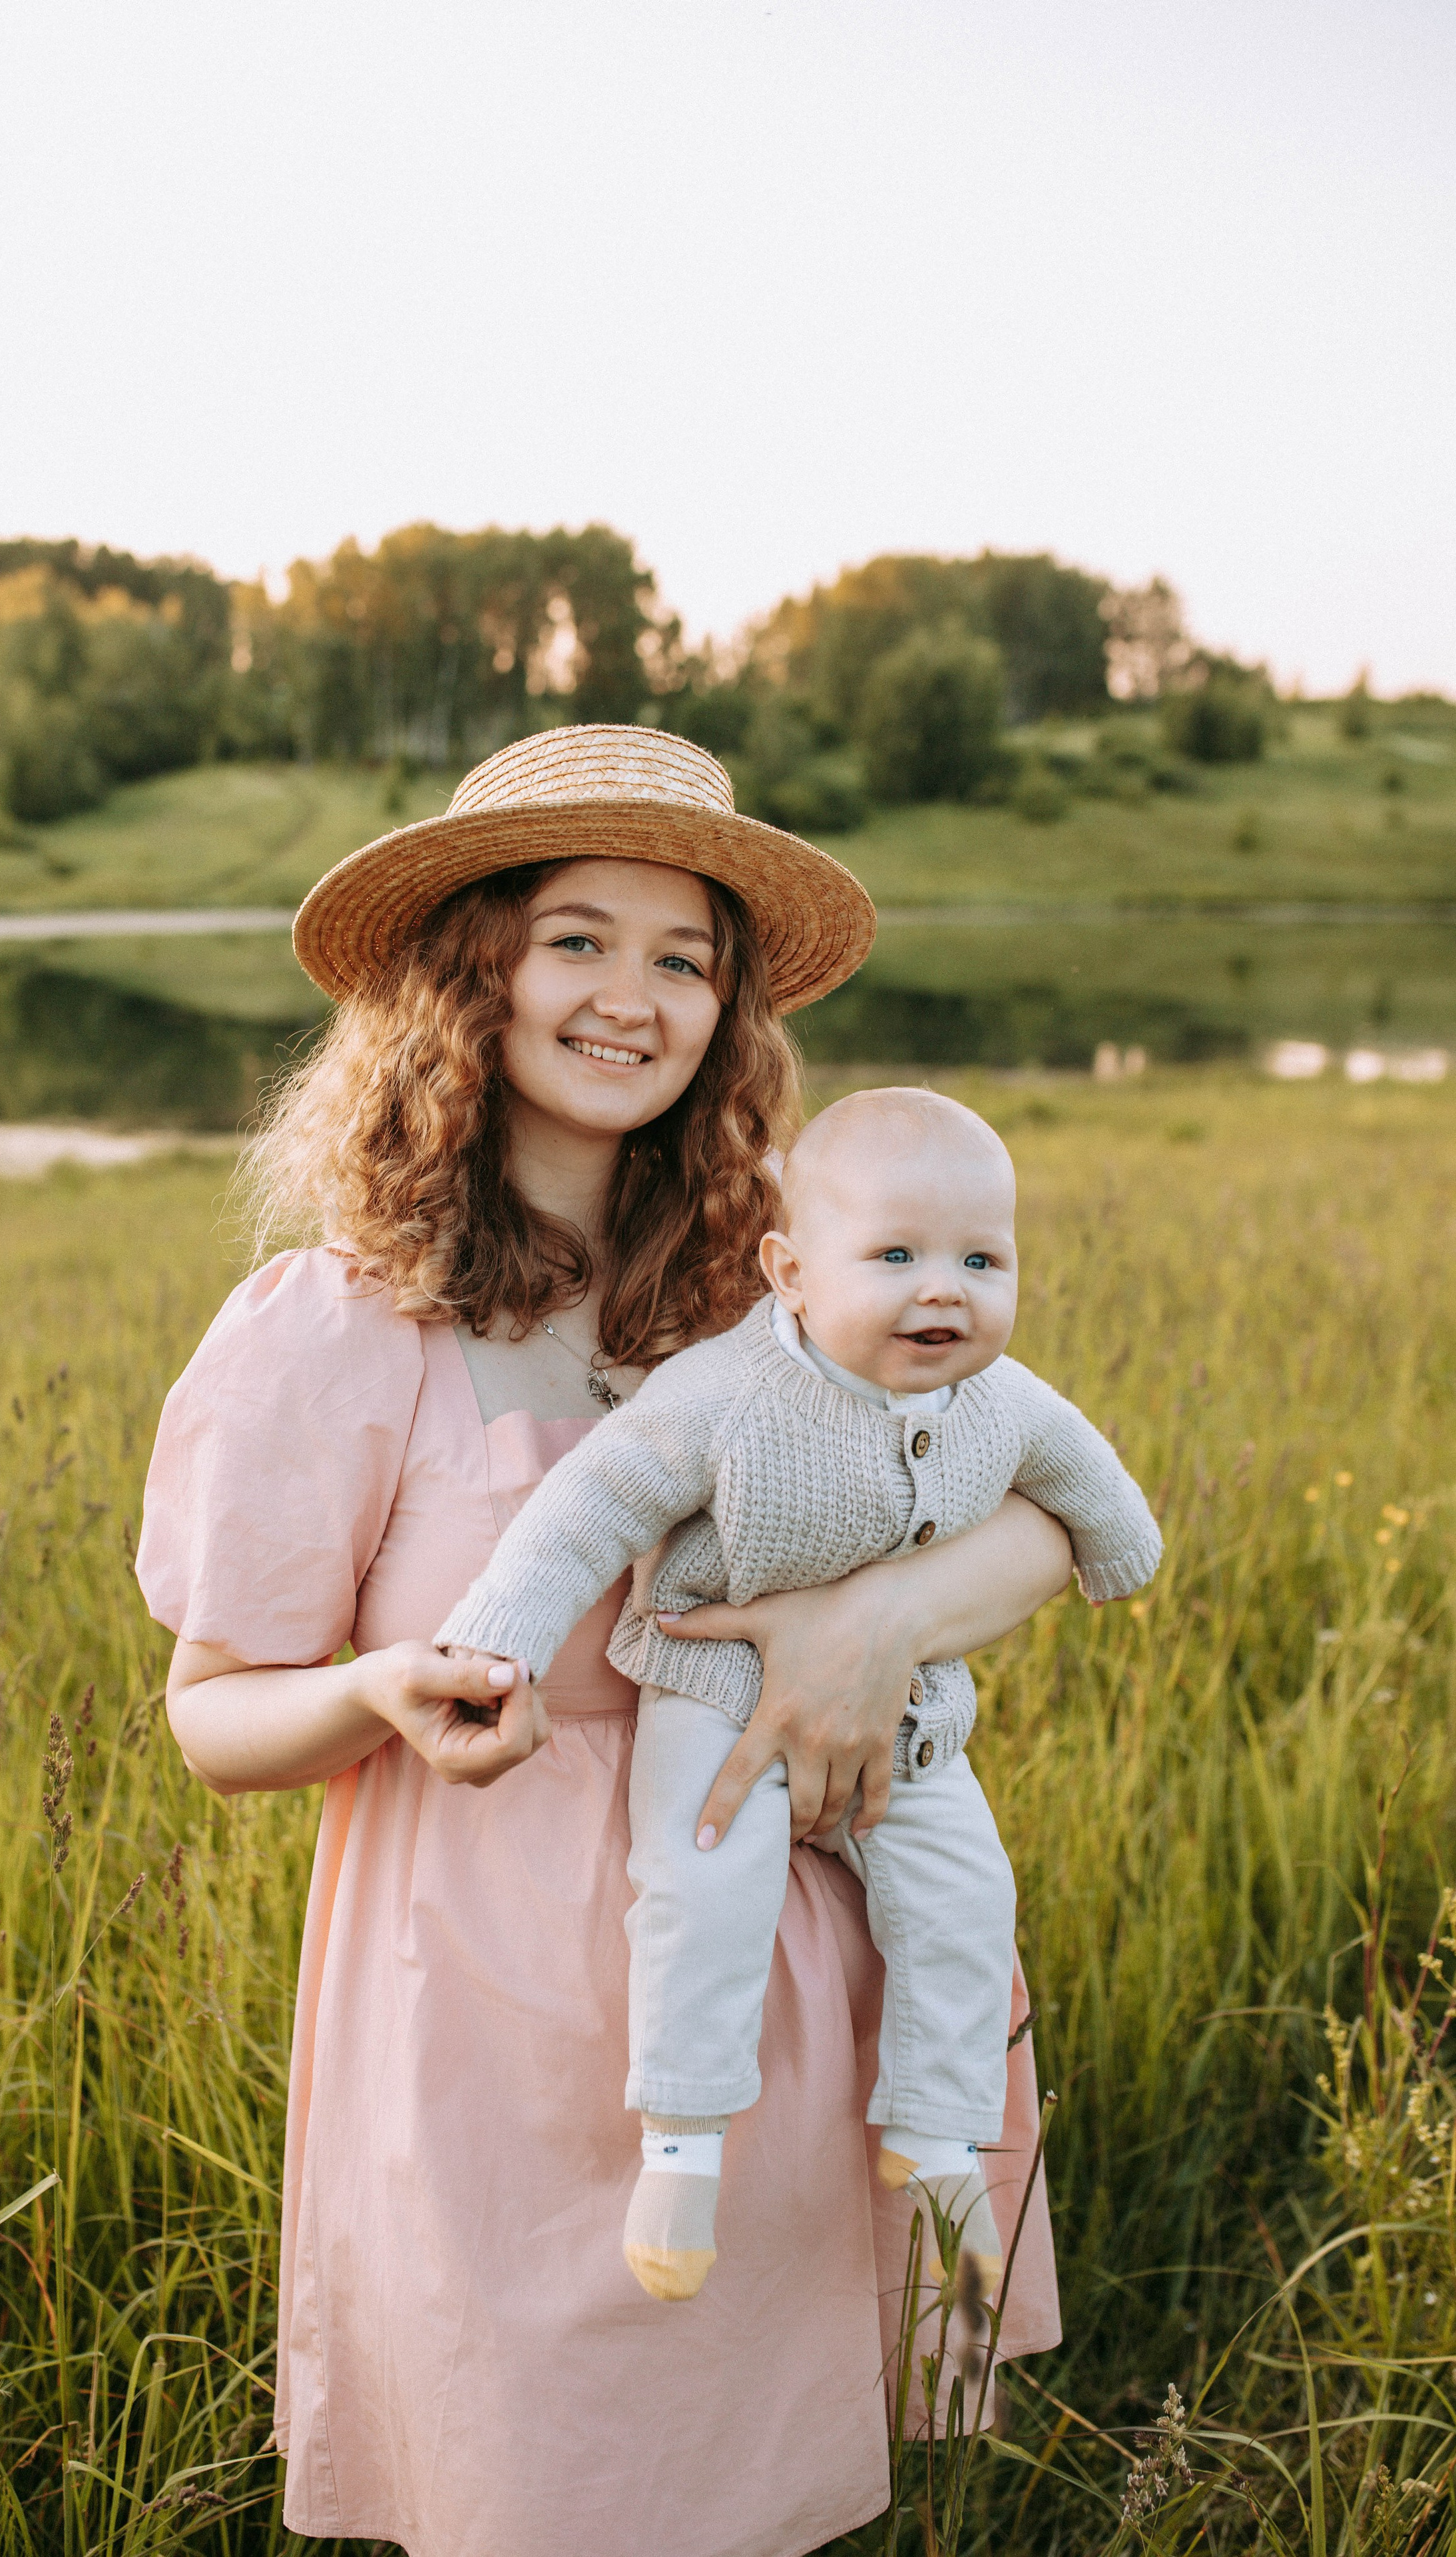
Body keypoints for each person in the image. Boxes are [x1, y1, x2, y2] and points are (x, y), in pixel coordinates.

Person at [136, 725, 1073, 2557]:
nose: (631, 999)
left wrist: (875, 1620)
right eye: (577, 938)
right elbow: (213, 1718)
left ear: (732, 1013)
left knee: (779, 2475)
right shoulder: (335, 1331)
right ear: (471, 968)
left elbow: (1047, 1511)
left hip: (797, 1977)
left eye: (685, 957)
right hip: (494, 2026)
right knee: (549, 2487)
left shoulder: (785, 1284)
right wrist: (377, 1697)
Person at [437, 1083, 1162, 2307]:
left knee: (966, 1903)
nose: (946, 1290)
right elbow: (588, 1508)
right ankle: (683, 2144)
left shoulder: (1002, 1397)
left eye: (983, 1259)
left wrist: (1120, 1551)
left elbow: (1102, 1503)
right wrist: (496, 1636)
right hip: (712, 1692)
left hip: (907, 1720)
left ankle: (937, 2140)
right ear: (790, 1270)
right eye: (896, 1257)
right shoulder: (725, 1394)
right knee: (700, 1883)